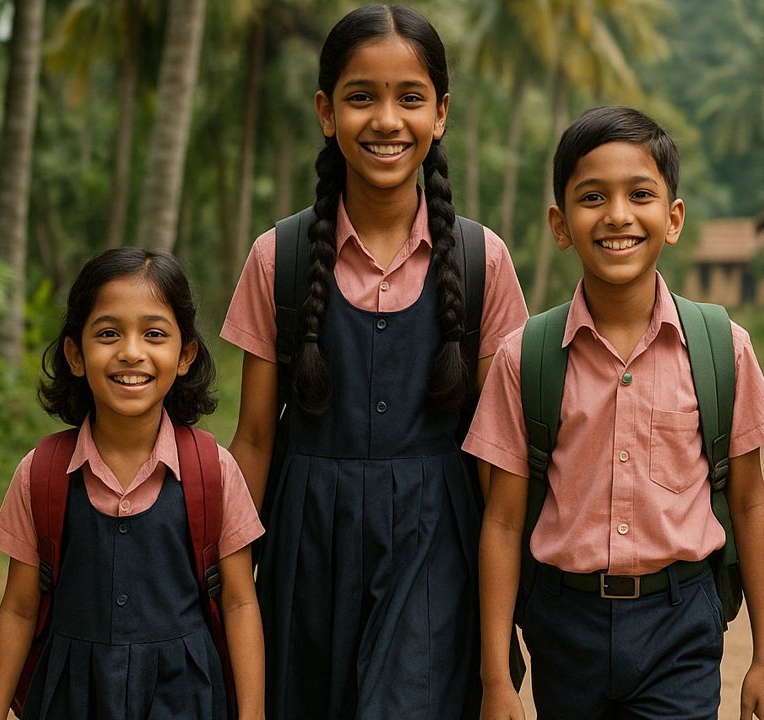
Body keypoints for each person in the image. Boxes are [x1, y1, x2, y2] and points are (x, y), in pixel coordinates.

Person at [221, 4, 528, 718]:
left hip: (437, 548)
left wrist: (504, 632)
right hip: (306, 547)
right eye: (362, 96)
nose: (386, 120)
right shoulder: (281, 259)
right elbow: (257, 437)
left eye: (409, 98)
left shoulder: (485, 262)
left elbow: (499, 459)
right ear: (327, 112)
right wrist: (218, 576)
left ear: (441, 114)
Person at [468, 105, 764, 720]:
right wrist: (496, 680)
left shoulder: (722, 348)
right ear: (560, 224)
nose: (617, 215)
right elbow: (503, 523)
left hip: (680, 619)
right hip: (565, 623)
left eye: (640, 194)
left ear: (673, 219)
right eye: (592, 196)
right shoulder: (525, 357)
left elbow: (748, 502)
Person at [0, 248, 264, 720]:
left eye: (154, 334)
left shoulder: (213, 471)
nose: (131, 351)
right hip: (70, 699)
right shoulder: (42, 473)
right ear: (75, 353)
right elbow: (18, 610)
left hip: (186, 702)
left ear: (185, 355)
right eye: (108, 333)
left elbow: (238, 603)